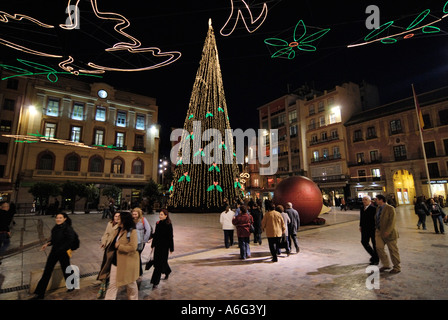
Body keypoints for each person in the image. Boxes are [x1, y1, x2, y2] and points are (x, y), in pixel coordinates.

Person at [32, 212, 77, 299]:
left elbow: (70, 241)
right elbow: (54, 239)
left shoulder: (68, 229)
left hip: (63, 253)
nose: (58, 219)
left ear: (65, 219)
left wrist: (62, 248)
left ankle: (71, 285)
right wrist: (48, 244)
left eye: (60, 218)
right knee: (47, 271)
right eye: (57, 218)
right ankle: (40, 293)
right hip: (54, 252)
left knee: (66, 268)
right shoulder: (55, 228)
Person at [104, 211, 140, 300]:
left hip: (127, 262)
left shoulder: (132, 231)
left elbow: (133, 247)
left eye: (119, 218)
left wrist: (120, 246)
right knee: (112, 284)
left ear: (124, 220)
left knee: (130, 283)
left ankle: (133, 298)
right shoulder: (118, 229)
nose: (117, 220)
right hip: (116, 261)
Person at [96, 211, 120, 299]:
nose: (116, 218)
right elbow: (106, 233)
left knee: (108, 267)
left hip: (113, 249)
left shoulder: (120, 227)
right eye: (115, 216)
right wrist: (103, 242)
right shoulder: (109, 224)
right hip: (107, 247)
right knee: (104, 265)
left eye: (118, 216)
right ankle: (103, 284)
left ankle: (105, 284)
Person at [374, 194, 401, 274]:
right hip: (380, 232)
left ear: (381, 200)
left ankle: (397, 267)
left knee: (393, 250)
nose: (375, 201)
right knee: (379, 247)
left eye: (376, 199)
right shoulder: (378, 208)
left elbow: (392, 221)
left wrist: (388, 231)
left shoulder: (390, 208)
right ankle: (386, 264)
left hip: (389, 233)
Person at [150, 209, 174, 289]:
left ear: (166, 216)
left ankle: (155, 282)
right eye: (159, 214)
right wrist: (152, 243)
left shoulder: (168, 224)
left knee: (159, 265)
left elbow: (170, 237)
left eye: (162, 214)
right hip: (157, 246)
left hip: (164, 247)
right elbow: (156, 234)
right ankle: (167, 271)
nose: (160, 216)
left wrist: (171, 248)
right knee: (159, 262)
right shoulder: (158, 223)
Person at [132, 207, 152, 277]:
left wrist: (145, 240)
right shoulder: (131, 220)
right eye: (133, 214)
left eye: (135, 214)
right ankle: (138, 271)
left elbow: (148, 230)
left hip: (140, 242)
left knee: (137, 255)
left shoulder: (143, 220)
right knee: (136, 256)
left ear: (139, 214)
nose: (134, 216)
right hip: (133, 241)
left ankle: (139, 272)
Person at [359, 196, 379, 265]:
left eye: (366, 200)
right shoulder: (362, 208)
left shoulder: (374, 209)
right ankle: (374, 255)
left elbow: (376, 220)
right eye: (363, 200)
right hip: (364, 229)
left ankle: (376, 259)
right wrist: (360, 226)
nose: (364, 201)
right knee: (364, 242)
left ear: (370, 201)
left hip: (372, 229)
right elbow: (361, 218)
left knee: (374, 244)